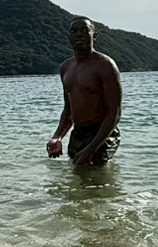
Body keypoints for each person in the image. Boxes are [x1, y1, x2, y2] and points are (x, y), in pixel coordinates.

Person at [47, 17, 123, 166]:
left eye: (85, 30)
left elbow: (115, 112)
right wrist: (57, 137)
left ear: (94, 36)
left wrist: (91, 149)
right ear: (69, 37)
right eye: (74, 31)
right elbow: (69, 110)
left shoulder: (105, 65)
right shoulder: (66, 68)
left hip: (102, 134)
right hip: (78, 133)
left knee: (97, 175)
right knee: (76, 175)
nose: (79, 34)